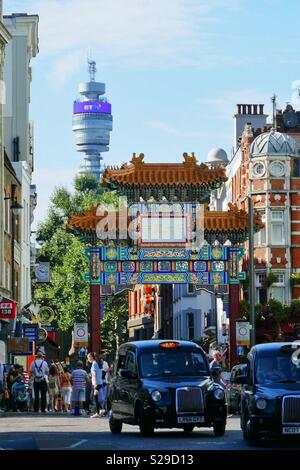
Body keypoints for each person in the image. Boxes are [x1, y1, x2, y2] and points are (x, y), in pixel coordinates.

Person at [87, 352, 103, 418]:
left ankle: (98, 412)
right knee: (93, 397)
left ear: (92, 357)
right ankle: (100, 410)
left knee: (94, 398)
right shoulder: (96, 364)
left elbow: (95, 374)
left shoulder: (94, 364)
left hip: (96, 383)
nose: (88, 359)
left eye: (88, 357)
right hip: (98, 382)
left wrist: (95, 384)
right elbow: (98, 373)